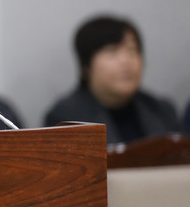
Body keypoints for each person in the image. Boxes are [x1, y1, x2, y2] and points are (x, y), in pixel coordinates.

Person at [43, 15, 180, 144]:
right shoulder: (65, 119)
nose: (126, 61)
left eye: (132, 50)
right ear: (86, 67)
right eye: (112, 52)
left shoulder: (161, 110)